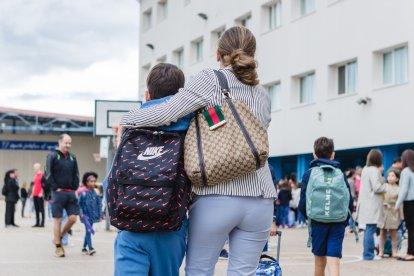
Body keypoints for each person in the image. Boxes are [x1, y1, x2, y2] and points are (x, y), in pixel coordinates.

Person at [120, 26, 276, 276]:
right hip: (260, 198)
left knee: (199, 271)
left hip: (217, 195)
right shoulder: (263, 94)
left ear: (218, 54)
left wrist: (128, 119)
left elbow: (166, 112)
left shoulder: (210, 80)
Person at [114, 63, 191, 276]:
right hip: (170, 225)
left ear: (147, 95)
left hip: (131, 221)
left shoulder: (131, 125)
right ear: (180, 96)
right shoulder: (190, 125)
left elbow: (113, 178)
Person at [298, 137, 353, 276]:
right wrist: (344, 221)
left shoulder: (309, 174)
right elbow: (349, 200)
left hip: (317, 222)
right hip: (337, 222)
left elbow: (303, 203)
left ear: (314, 155)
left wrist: (310, 217)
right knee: (334, 261)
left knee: (319, 261)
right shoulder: (340, 173)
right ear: (333, 154)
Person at [45, 134, 80, 257]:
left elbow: (76, 174)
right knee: (58, 220)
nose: (68, 145)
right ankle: (59, 247)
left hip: (70, 192)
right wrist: (55, 188)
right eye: (66, 143)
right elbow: (48, 174)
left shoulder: (72, 157)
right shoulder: (53, 155)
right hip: (58, 193)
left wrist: (74, 187)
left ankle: (58, 237)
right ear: (60, 142)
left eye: (70, 143)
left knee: (73, 219)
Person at [356, 149, 386, 261]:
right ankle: (368, 254)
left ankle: (366, 253)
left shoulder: (365, 169)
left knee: (368, 229)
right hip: (372, 204)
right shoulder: (374, 170)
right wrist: (386, 186)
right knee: (370, 229)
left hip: (365, 204)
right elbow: (377, 187)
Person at [395, 149, 414, 261]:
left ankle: (411, 253)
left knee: (411, 229)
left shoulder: (406, 171)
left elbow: (403, 190)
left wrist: (397, 204)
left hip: (409, 204)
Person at [378, 168, 401, 257]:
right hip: (383, 211)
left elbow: (400, 202)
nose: (390, 177)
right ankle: (381, 251)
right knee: (382, 232)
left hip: (393, 211)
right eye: (389, 176)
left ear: (397, 179)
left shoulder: (399, 189)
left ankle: (394, 251)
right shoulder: (384, 186)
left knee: (393, 232)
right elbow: (380, 198)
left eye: (392, 176)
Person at [78, 172, 102, 256]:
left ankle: (84, 247)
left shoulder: (95, 193)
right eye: (91, 181)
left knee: (88, 231)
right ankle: (90, 248)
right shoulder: (83, 193)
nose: (93, 183)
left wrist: (100, 215)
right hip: (85, 216)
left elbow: (99, 204)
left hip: (93, 215)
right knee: (88, 230)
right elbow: (79, 204)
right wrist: (81, 213)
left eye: (94, 181)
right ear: (87, 182)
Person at [32, 163, 45, 227]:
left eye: (34, 168)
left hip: (40, 195)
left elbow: (44, 185)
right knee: (36, 209)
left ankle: (42, 223)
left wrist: (42, 192)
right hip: (35, 195)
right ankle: (37, 222)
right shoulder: (35, 176)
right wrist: (32, 193)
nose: (34, 169)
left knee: (41, 209)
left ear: (38, 168)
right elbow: (34, 185)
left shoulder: (42, 175)